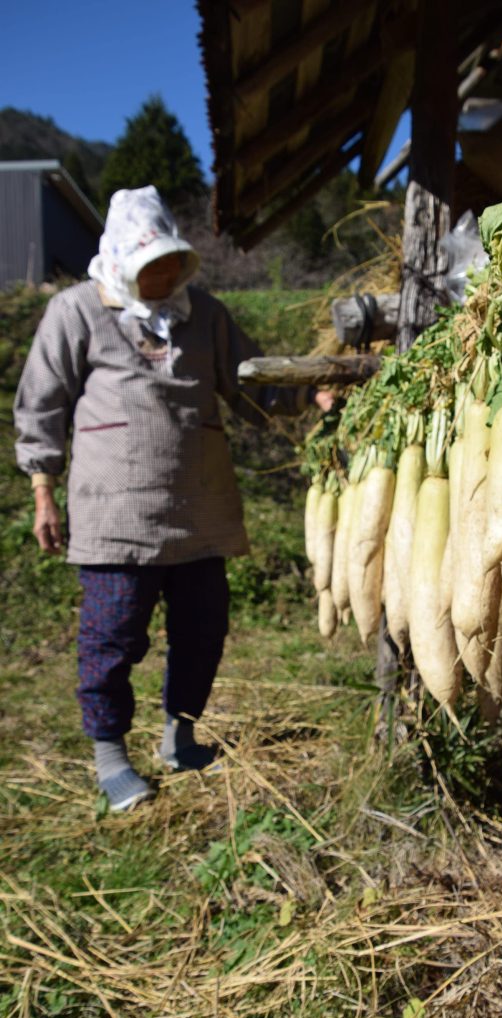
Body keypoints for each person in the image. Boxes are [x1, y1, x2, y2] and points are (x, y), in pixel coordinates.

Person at [14, 185, 333, 812]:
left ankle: (178, 737)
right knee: (111, 638)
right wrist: (43, 490)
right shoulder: (77, 312)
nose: (162, 275)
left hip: (198, 512)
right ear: (120, 262)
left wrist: (310, 394)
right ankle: (110, 756)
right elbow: (42, 405)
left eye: (169, 262)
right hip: (115, 517)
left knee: (203, 631)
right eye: (148, 265)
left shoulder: (205, 316)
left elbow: (252, 386)